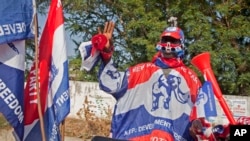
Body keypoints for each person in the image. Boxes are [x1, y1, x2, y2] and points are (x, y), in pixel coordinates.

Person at [79, 21, 214, 141]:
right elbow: (111, 83)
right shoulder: (140, 70)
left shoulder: (192, 78)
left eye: (173, 41)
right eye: (165, 40)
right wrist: (106, 54)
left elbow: (202, 119)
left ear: (181, 44)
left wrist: (198, 127)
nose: (168, 45)